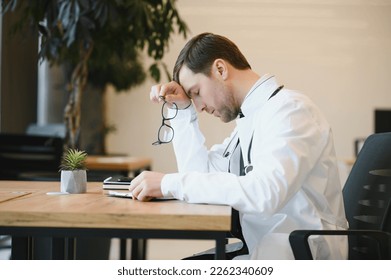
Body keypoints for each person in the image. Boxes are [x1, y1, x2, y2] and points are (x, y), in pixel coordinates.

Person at [128, 32, 348, 260]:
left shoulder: (290, 110)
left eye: (196, 93)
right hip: (267, 248)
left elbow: (265, 193)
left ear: (220, 69)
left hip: (300, 257)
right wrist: (182, 110)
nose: (200, 107)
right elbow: (198, 174)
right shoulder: (252, 117)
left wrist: (168, 183)